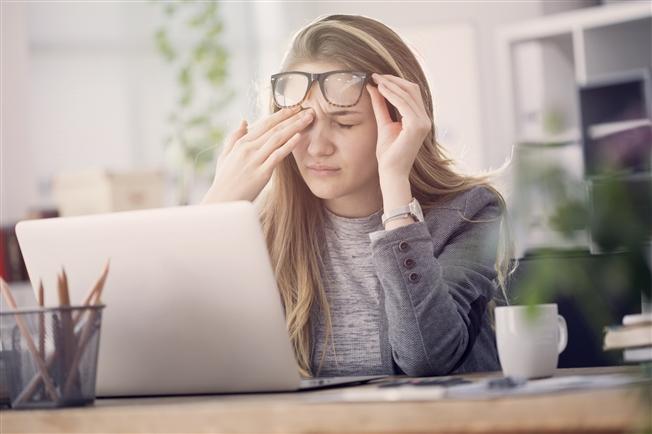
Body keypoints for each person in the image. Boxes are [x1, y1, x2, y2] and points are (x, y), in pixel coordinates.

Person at [202, 14, 511, 378]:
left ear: (399, 122)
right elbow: (188, 356)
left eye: (345, 123)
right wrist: (216, 212)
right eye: (303, 121)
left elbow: (427, 358)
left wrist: (396, 186)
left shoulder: (470, 213)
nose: (317, 147)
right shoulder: (264, 227)